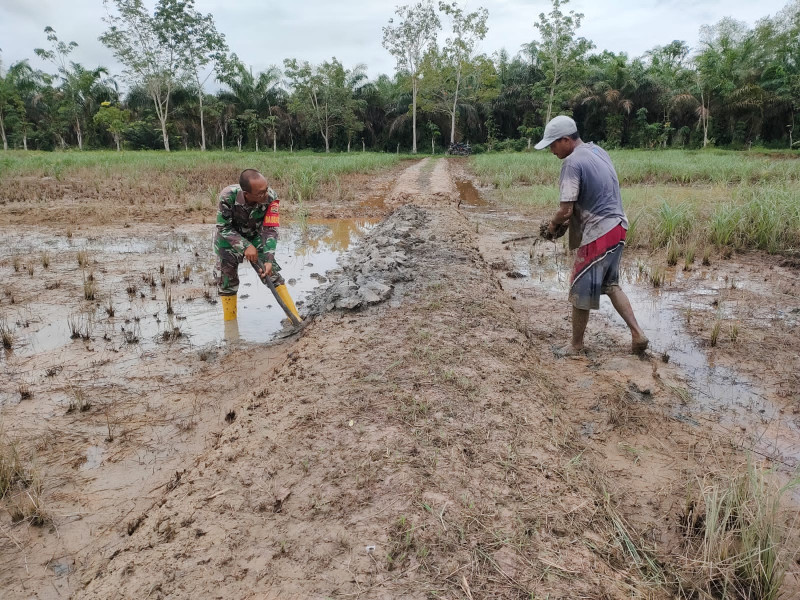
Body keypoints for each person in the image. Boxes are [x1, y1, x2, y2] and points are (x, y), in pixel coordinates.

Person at [535, 115, 648, 356]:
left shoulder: (572, 163)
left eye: (553, 145)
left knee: (579, 287)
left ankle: (575, 346)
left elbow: (565, 209)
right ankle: (638, 334)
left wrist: (552, 226)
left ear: (566, 140)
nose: (552, 151)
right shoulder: (598, 151)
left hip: (599, 232)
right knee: (610, 284)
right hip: (618, 226)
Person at [213, 169, 301, 324]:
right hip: (229, 240)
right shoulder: (228, 196)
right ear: (247, 194)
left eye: (266, 189)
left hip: (255, 236)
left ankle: (295, 318)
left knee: (273, 275)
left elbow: (270, 229)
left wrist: (268, 258)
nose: (266, 194)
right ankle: (230, 327)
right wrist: (245, 246)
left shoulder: (271, 197)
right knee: (227, 283)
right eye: (260, 193)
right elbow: (223, 227)